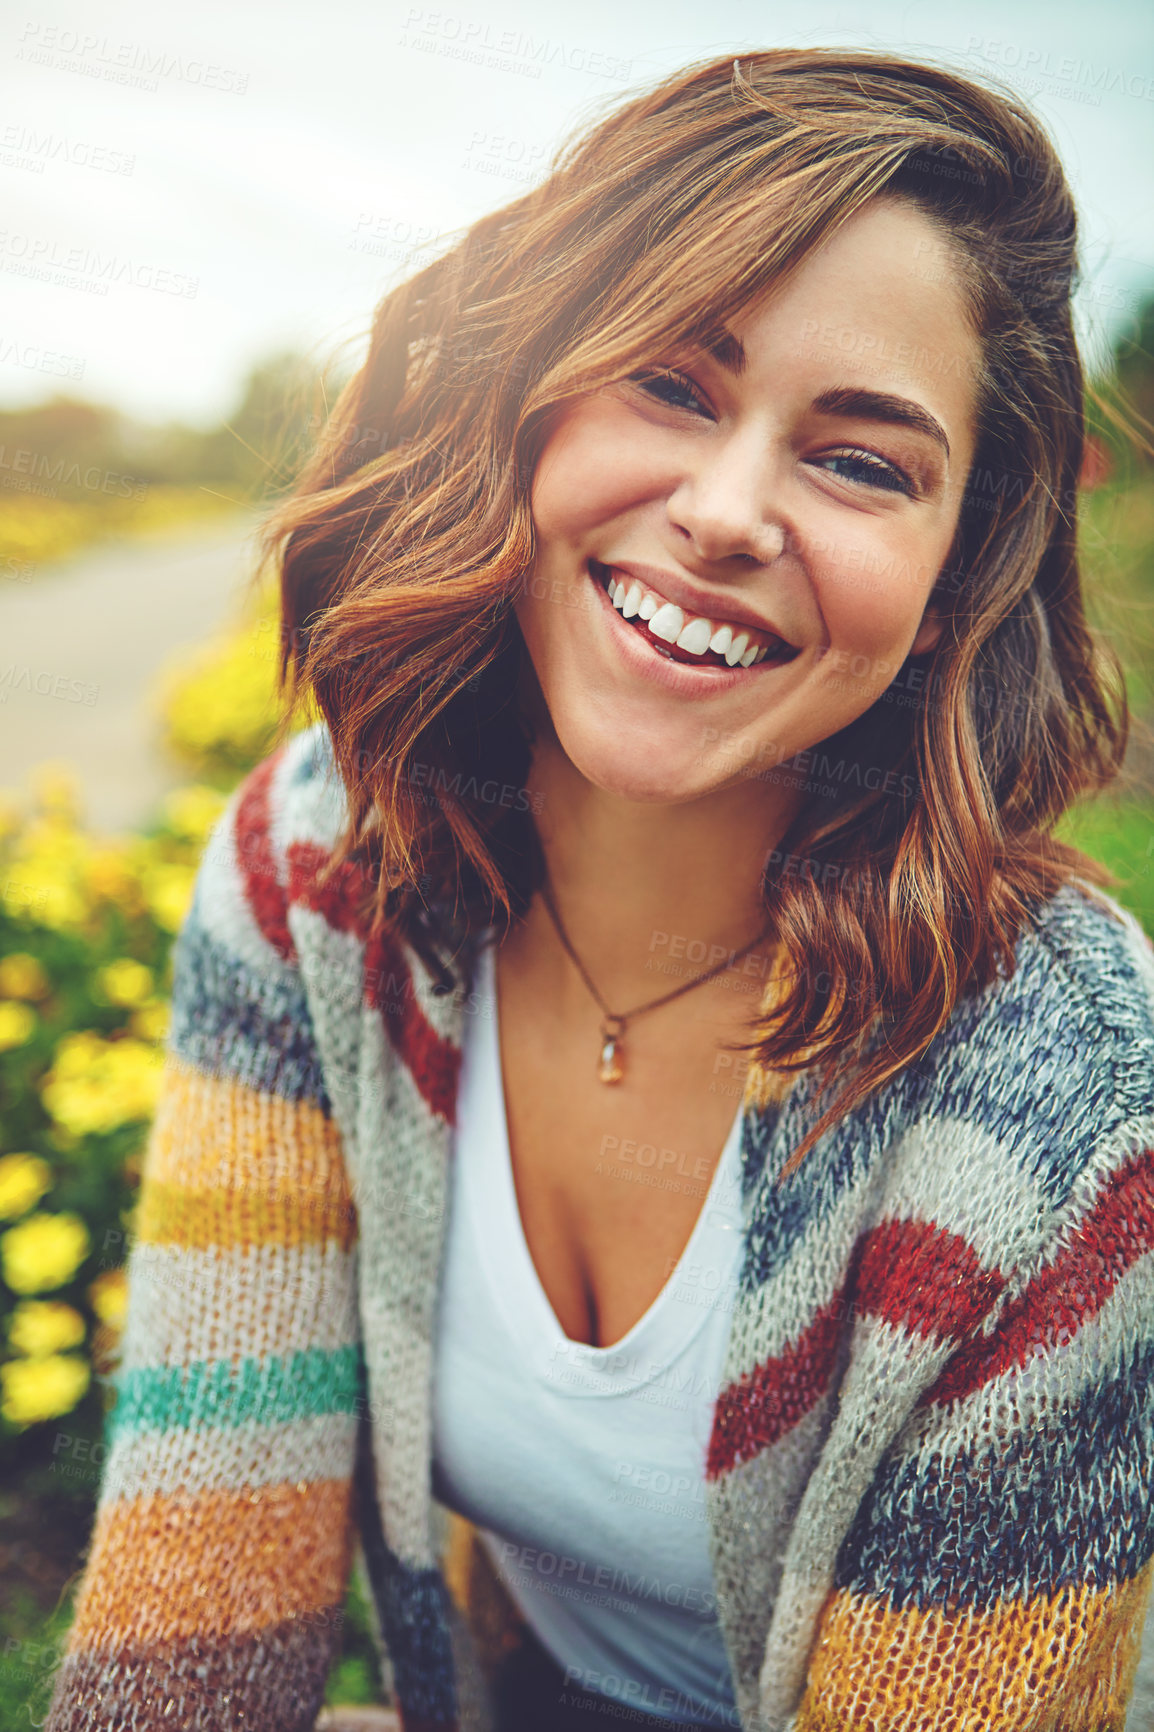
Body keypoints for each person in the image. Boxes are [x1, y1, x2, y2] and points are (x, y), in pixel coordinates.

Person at [43, 46, 1154, 1732]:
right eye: (671, 385)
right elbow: (192, 1626)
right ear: (526, 407)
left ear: (949, 584)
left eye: (859, 462)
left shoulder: (1069, 1101)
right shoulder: (313, 876)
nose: (721, 514)